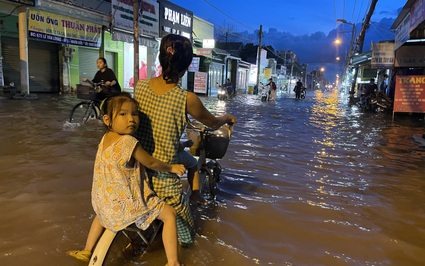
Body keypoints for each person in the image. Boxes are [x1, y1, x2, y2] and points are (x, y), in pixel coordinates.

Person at [134, 34, 236, 247]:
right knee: (190, 241)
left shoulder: (140, 86)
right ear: (187, 66)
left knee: (186, 157)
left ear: (162, 58)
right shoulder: (187, 98)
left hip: (137, 171)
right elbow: (213, 123)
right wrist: (227, 118)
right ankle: (194, 197)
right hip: (165, 180)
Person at [67, 93, 185, 266]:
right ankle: (173, 262)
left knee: (99, 216)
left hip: (102, 203)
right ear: (107, 120)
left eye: (134, 114)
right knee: (169, 214)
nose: (131, 119)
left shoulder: (105, 138)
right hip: (126, 208)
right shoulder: (129, 142)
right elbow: (151, 162)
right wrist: (171, 167)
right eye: (123, 114)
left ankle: (87, 249)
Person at [177, 140, 207, 205]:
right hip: (169, 155)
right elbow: (176, 146)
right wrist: (185, 144)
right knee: (193, 163)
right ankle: (195, 194)